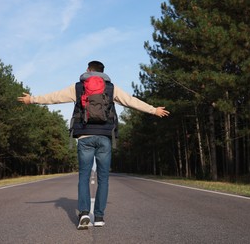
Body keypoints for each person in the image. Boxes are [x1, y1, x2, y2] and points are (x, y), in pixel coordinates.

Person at [17, 60, 170, 230]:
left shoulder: (78, 87)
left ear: (88, 70)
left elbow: (54, 97)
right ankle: (98, 216)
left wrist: (32, 100)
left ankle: (83, 213)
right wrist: (153, 110)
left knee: (84, 176)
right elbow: (131, 101)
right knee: (103, 178)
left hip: (84, 136)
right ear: (103, 72)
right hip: (105, 137)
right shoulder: (111, 88)